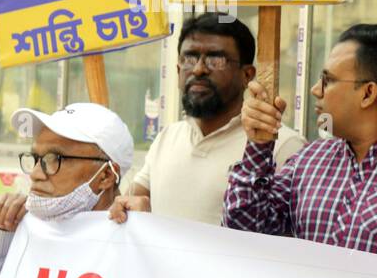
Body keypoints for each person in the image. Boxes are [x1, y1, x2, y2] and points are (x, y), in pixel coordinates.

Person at [223, 24, 377, 255]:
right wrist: (258, 145)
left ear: (368, 93)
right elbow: (241, 232)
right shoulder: (308, 161)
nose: (315, 90)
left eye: (327, 80)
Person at [109, 14, 305, 226]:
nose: (198, 69)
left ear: (247, 75)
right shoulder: (167, 137)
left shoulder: (283, 145)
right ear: (176, 70)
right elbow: (133, 201)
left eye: (216, 59)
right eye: (189, 59)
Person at [0, 103, 132, 278]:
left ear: (106, 175)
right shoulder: (28, 233)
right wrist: (2, 238)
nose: (36, 174)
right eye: (36, 158)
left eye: (55, 159)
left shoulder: (132, 251)